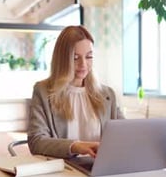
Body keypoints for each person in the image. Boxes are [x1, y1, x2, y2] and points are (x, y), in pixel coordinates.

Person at [27, 25, 125, 158]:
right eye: (75, 57)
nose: (83, 64)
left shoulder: (107, 94)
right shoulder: (43, 91)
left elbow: (125, 134)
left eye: (89, 57)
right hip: (63, 171)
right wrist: (76, 146)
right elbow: (36, 142)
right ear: (62, 59)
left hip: (100, 169)